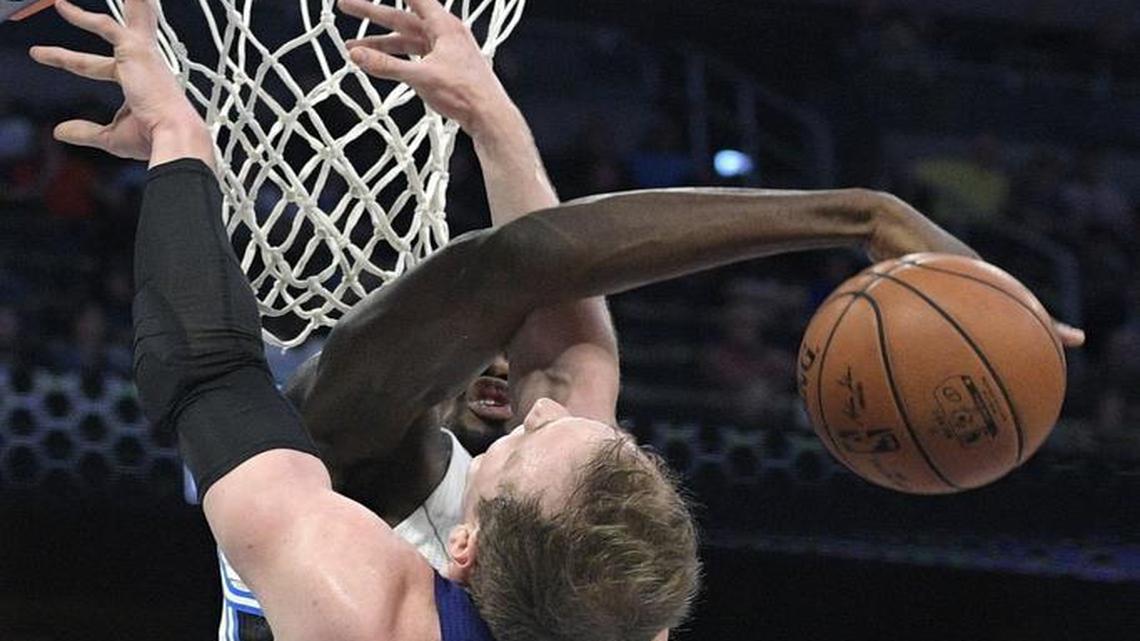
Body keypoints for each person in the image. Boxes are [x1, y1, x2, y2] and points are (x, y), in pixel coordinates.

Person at [31, 2, 1086, 641]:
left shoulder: (348, 588)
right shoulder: (605, 604)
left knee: (361, 420)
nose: (536, 414)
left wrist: (179, 132)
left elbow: (206, 375)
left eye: (528, 438)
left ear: (464, 551)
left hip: (309, 510)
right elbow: (570, 359)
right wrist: (489, 112)